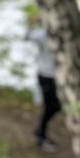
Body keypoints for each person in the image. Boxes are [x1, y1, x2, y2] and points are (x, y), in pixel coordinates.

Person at [25, 18, 61, 151]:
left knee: (54, 106)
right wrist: (33, 23)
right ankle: (41, 135)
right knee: (52, 105)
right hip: (45, 75)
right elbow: (27, 37)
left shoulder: (61, 34)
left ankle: (41, 131)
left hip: (55, 76)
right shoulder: (41, 34)